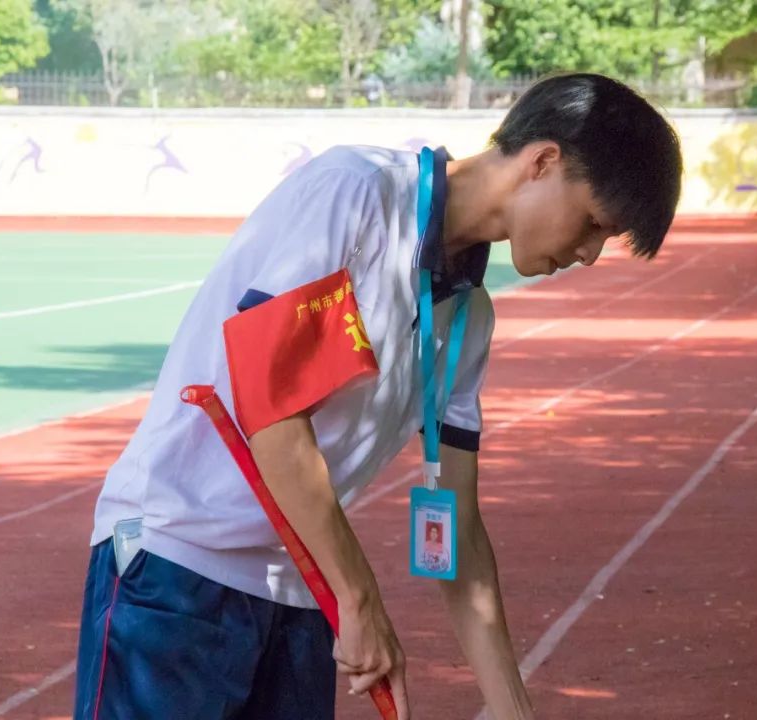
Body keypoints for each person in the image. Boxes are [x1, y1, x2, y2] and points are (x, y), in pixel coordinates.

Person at [73, 72, 682, 720]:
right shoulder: (358, 195)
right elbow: (273, 416)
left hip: (302, 592)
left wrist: (513, 710)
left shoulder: (468, 318)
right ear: (543, 162)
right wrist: (359, 596)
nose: (590, 254)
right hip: (176, 566)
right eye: (593, 224)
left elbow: (459, 531)